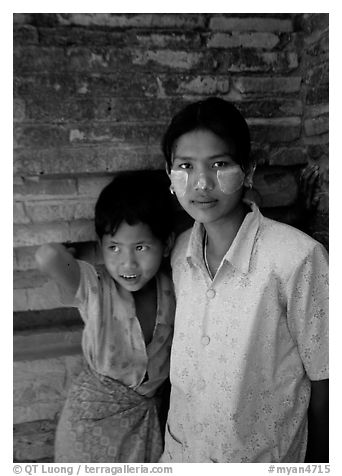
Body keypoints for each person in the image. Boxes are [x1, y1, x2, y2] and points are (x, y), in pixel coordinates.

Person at [159, 97, 329, 463]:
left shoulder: (297, 257)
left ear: (248, 170)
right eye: (185, 166)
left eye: (219, 164)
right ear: (169, 176)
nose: (201, 183)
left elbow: (326, 374)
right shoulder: (179, 255)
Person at [35, 171, 175, 463]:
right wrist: (67, 255)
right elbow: (46, 257)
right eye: (114, 248)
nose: (127, 263)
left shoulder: (175, 286)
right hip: (89, 421)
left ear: (167, 244)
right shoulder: (94, 287)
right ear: (100, 249)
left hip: (145, 419)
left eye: (141, 247)